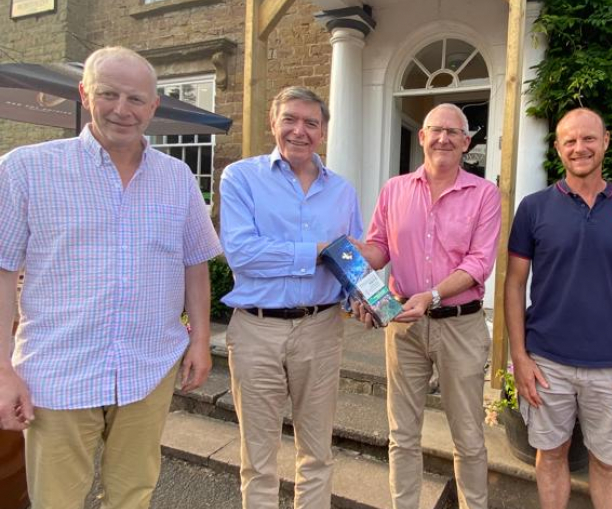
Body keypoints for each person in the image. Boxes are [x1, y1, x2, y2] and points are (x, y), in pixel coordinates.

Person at [0, 46, 221, 509]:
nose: (122, 109)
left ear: (153, 106)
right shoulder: (25, 169)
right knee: (56, 500)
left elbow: (195, 264)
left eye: (136, 99)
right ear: (85, 94)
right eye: (108, 94)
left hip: (148, 366)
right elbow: (2, 273)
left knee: (133, 494)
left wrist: (200, 340)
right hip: (58, 370)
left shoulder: (177, 177)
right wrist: (2, 370)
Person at [504, 108, 612, 509]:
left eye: (588, 138)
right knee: (551, 454)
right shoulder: (534, 208)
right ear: (558, 148)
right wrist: (518, 356)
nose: (580, 148)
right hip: (547, 362)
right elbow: (514, 283)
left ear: (606, 141)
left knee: (609, 463)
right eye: (569, 141)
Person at [219, 86, 363, 509]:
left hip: (321, 328)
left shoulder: (342, 190)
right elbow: (243, 254)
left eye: (311, 123)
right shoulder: (240, 177)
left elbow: (348, 259)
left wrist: (364, 298)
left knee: (317, 453)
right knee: (258, 458)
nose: (299, 131)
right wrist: (317, 252)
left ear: (322, 131)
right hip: (256, 330)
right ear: (273, 122)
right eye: (290, 120)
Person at [353, 103, 500, 509]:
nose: (444, 138)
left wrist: (433, 295)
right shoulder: (394, 189)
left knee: (468, 436)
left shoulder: (485, 194)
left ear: (467, 142)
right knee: (402, 434)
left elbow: (479, 263)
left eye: (454, 133)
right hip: (404, 326)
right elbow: (380, 249)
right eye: (436, 130)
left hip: (460, 326)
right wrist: (349, 258)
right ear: (422, 137)